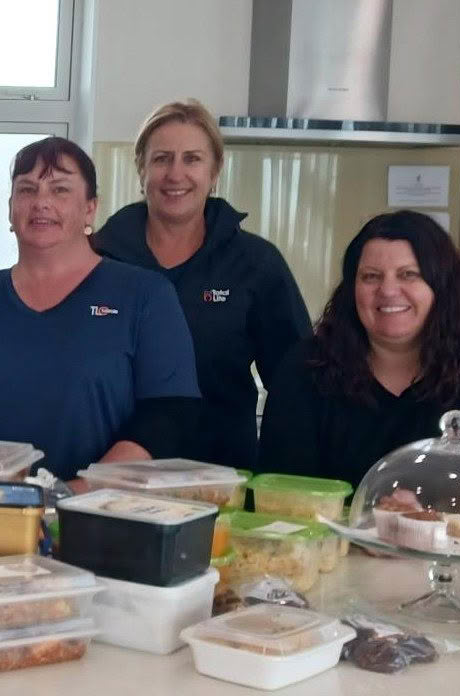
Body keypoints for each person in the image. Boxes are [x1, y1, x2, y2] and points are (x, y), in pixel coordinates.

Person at [0, 137, 201, 482]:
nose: (41, 203)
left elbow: (167, 414)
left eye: (60, 190)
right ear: (10, 207)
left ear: (90, 209)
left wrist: (77, 493)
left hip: (102, 517)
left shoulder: (145, 296)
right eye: (27, 190)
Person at [92, 100, 311, 468]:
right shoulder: (97, 258)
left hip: (220, 478)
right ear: (141, 169)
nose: (175, 174)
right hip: (110, 473)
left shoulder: (255, 263)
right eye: (162, 159)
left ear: (215, 171)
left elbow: (297, 383)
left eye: (192, 159)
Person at [258, 209, 460, 486]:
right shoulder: (305, 369)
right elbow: (284, 493)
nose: (388, 290)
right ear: (351, 290)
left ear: (442, 287)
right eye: (371, 276)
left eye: (409, 274)